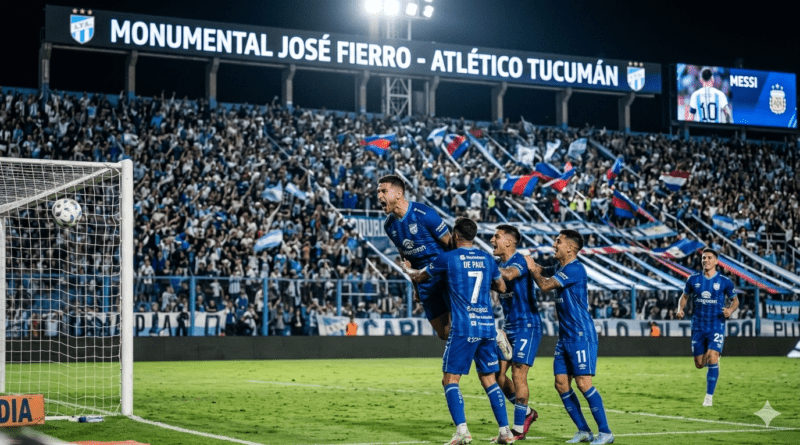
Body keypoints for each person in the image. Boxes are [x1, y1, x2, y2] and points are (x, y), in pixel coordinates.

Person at [405, 217, 515, 445]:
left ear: (455, 236)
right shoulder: (486, 258)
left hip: (464, 328)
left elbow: (420, 276)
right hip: (487, 326)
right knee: (489, 380)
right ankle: (505, 432)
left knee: (450, 380)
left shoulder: (448, 258)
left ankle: (463, 431)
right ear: (473, 236)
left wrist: (408, 269)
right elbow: (502, 286)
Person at [525, 230, 614, 445]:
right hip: (565, 336)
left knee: (584, 383)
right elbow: (541, 270)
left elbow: (545, 285)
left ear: (570, 248)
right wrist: (523, 262)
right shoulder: (560, 267)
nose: (554, 244)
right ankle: (584, 430)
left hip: (581, 335)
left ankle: (606, 432)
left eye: (558, 241)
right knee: (561, 384)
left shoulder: (575, 269)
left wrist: (532, 270)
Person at [377, 174, 452, 340]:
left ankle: (490, 342)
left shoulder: (424, 213)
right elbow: (405, 257)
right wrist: (415, 286)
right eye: (378, 192)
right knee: (444, 333)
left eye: (383, 191)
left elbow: (451, 244)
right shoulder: (389, 225)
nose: (379, 196)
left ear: (398, 194)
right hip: (423, 281)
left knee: (461, 325)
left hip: (444, 277)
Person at [490, 225, 540, 440]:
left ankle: (518, 428)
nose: (492, 240)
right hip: (509, 325)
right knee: (495, 375)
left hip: (527, 325)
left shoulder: (519, 260)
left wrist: (485, 269)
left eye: (497, 236)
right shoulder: (497, 263)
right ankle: (527, 412)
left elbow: (509, 275)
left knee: (518, 374)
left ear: (509, 242)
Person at [675, 247, 738, 407]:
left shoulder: (725, 281)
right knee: (699, 364)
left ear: (716, 261)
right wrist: (680, 309)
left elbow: (735, 300)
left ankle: (708, 398)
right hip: (698, 326)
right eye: (704, 258)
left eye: (709, 258)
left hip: (716, 324)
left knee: (712, 356)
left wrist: (730, 310)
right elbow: (684, 297)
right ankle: (713, 360)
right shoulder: (693, 279)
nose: (706, 260)